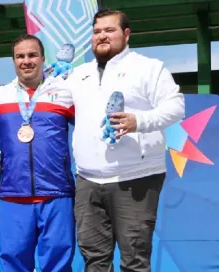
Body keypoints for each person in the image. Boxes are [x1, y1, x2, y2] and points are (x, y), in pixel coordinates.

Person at [59, 9, 185, 272]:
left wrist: (138, 121)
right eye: (96, 32)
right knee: (94, 260)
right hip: (88, 180)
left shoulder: (148, 67)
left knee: (135, 261)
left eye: (109, 30)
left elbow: (176, 107)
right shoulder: (78, 74)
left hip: (136, 178)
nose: (101, 36)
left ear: (126, 34)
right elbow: (50, 100)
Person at [0, 34, 76, 272]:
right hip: (14, 195)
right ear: (13, 61)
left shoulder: (65, 92)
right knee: (14, 263)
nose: (26, 61)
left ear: (42, 58)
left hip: (56, 194)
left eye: (32, 55)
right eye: (20, 56)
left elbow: (90, 128)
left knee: (58, 265)